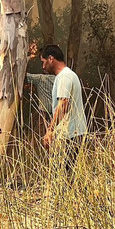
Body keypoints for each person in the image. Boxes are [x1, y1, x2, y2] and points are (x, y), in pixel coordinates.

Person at [31, 45, 87, 174]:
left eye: (43, 62)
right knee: (66, 173)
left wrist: (50, 131)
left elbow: (63, 104)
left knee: (60, 174)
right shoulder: (68, 75)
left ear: (51, 59)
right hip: (74, 132)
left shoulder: (64, 77)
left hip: (70, 133)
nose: (43, 66)